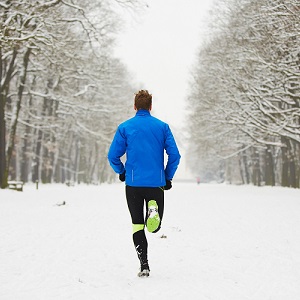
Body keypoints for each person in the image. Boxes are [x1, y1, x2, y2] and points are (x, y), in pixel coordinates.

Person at [107, 90, 181, 277]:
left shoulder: (125, 127)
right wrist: (167, 176)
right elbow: (175, 155)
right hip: (156, 183)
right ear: (150, 106)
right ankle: (153, 210)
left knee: (137, 225)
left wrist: (122, 172)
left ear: (134, 106)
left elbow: (112, 155)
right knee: (154, 227)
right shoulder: (162, 127)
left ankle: (144, 265)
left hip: (133, 184)